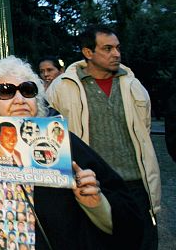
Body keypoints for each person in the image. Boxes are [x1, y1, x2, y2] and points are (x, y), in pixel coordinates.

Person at [0, 55, 143, 250]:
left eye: (28, 90)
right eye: (6, 91)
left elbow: (128, 216)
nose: (20, 99)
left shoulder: (65, 144)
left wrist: (96, 204)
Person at [47, 25, 161, 248]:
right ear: (88, 53)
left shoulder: (133, 85)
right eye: (107, 48)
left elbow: (143, 131)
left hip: (136, 186)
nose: (116, 54)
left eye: (117, 48)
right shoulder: (62, 88)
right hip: (93, 186)